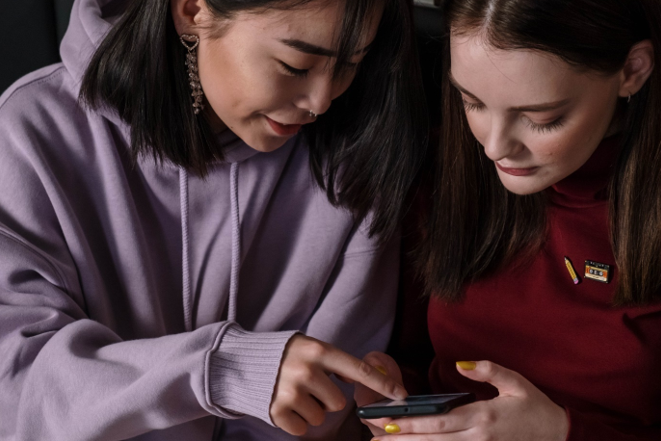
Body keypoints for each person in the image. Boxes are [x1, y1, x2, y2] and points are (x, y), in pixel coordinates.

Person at [0, 0, 426, 439]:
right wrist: (220, 370)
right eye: (295, 65)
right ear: (191, 11)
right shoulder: (31, 136)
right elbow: (15, 393)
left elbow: (323, 415)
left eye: (348, 65)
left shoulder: (354, 158)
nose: (321, 100)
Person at [357, 0, 661, 440]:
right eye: (472, 102)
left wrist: (561, 433)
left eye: (541, 118)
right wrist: (397, 398)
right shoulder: (442, 174)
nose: (495, 148)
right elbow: (419, 362)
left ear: (632, 70)